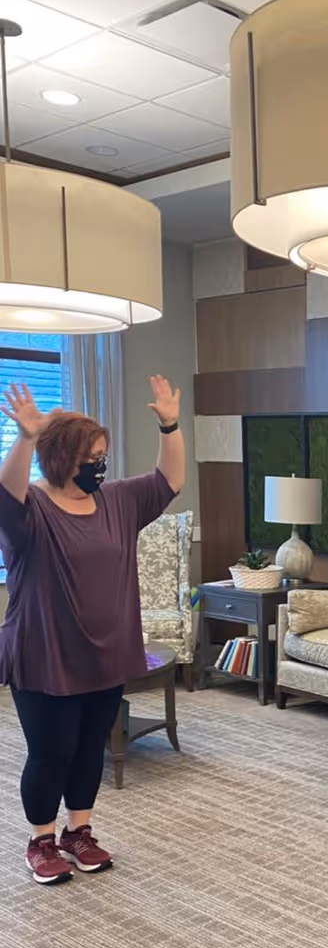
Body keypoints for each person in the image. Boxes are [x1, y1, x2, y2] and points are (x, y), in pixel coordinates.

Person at [0, 378, 186, 885]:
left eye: (103, 456)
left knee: (88, 748)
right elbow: (5, 494)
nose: (100, 466)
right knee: (50, 750)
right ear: (62, 459)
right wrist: (23, 438)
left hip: (107, 653)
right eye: (92, 457)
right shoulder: (31, 511)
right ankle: (40, 840)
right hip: (45, 654)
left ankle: (77, 832)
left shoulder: (119, 502)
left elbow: (169, 479)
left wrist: (169, 424)